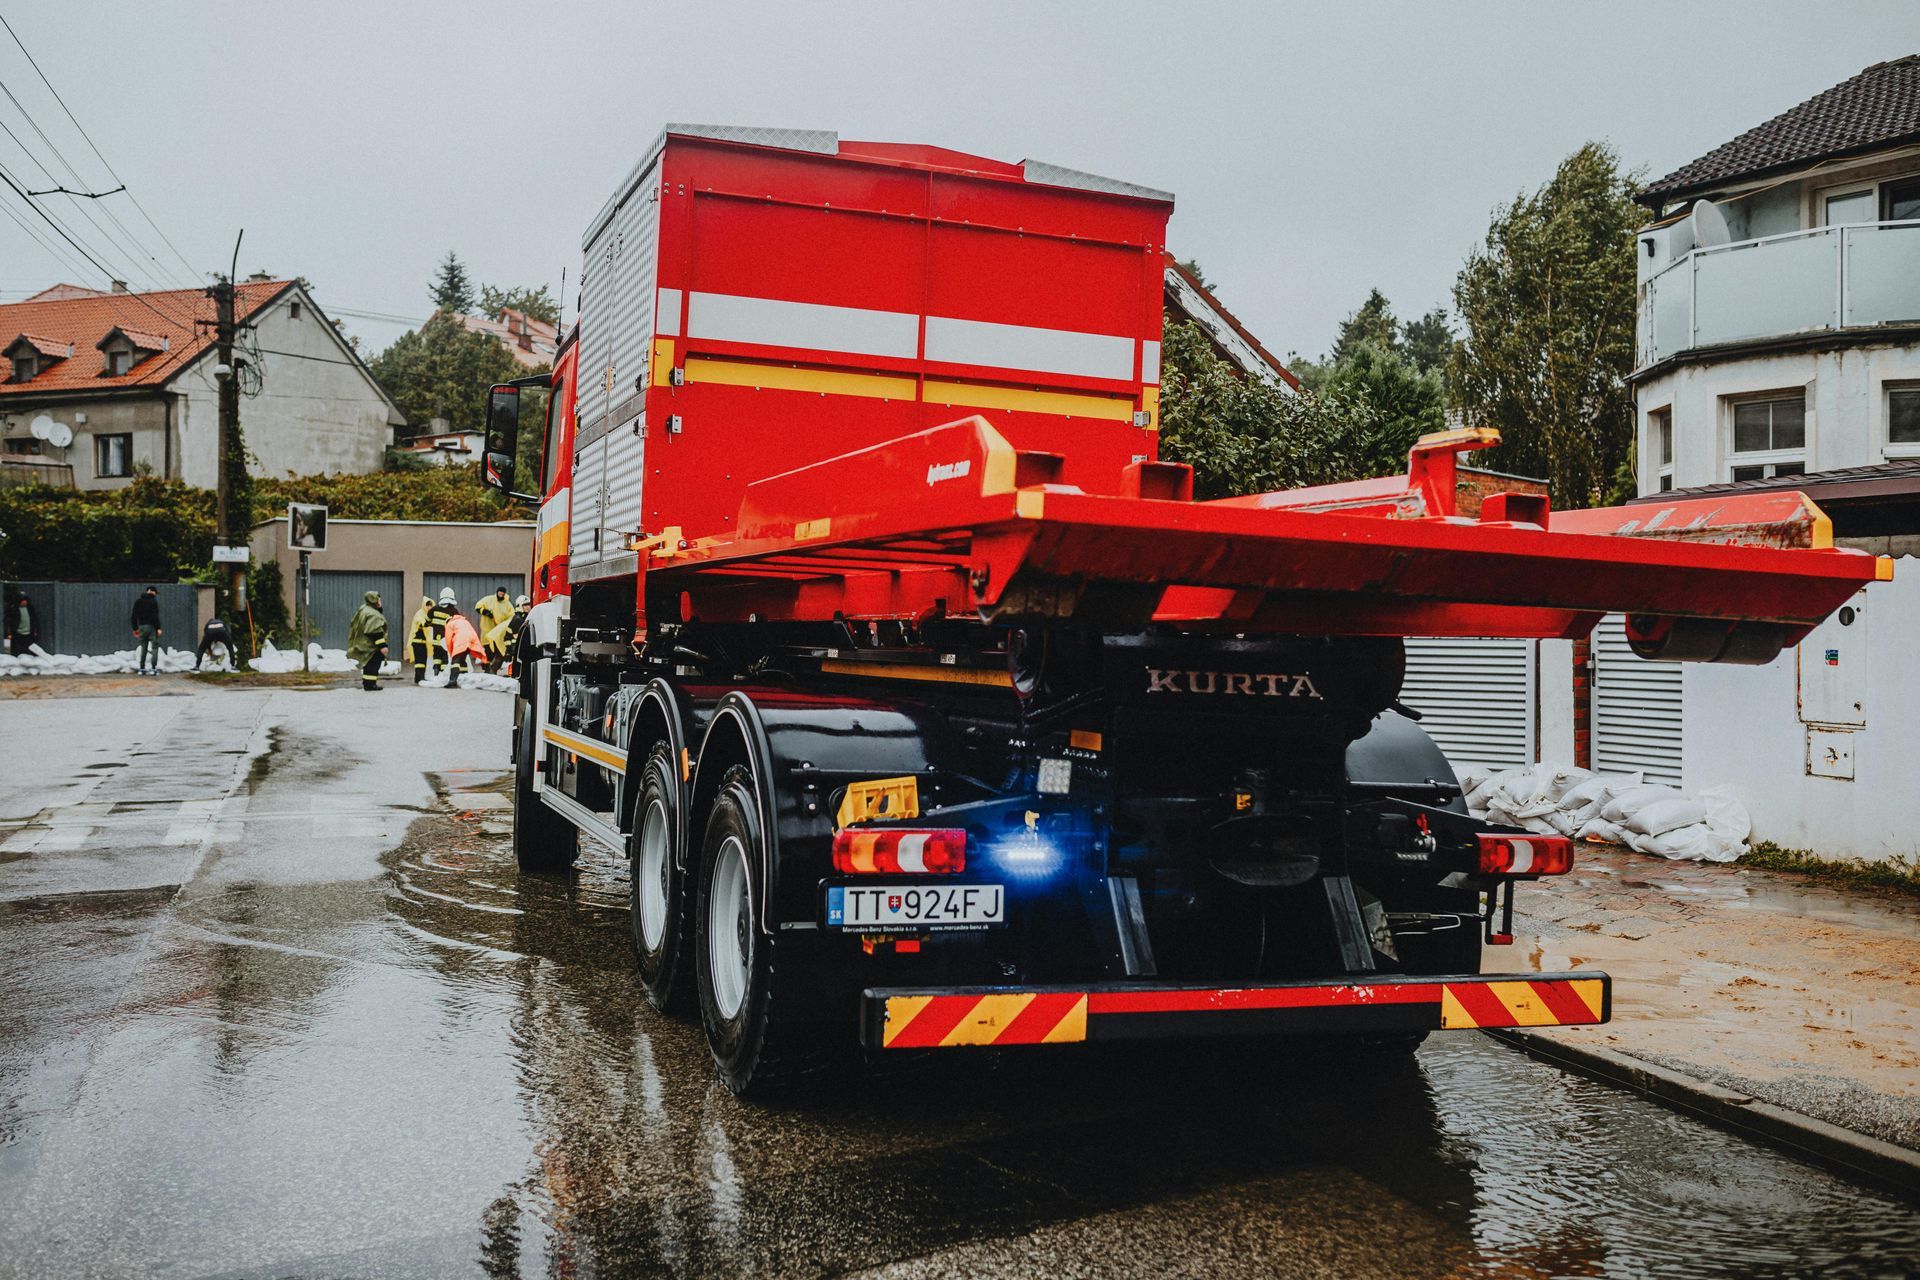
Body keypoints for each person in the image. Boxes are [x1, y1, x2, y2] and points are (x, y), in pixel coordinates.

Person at [346, 590, 389, 692]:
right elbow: (374, 631)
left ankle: (367, 683)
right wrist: (382, 646)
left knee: (368, 664)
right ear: (375, 600)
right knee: (373, 664)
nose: (380, 601)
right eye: (379, 599)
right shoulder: (374, 614)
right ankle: (371, 685)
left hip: (363, 642)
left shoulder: (364, 609)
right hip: (371, 645)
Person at [483, 593, 530, 674]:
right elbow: (512, 637)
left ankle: (491, 673)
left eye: (529, 604)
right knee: (499, 657)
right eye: (525, 605)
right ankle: (491, 674)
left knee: (500, 657)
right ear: (520, 606)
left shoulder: (521, 617)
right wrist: (509, 650)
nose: (528, 606)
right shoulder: (518, 619)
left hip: (502, 638)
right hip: (499, 638)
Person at [441, 605, 488, 679]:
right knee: (462, 659)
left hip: (461, 640)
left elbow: (448, 640)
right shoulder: (464, 621)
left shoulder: (450, 624)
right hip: (471, 639)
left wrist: (451, 653)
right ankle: (464, 676)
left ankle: (453, 680)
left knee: (455, 660)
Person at [129, 586, 163, 675]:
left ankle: (142, 668)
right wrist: (158, 628)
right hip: (151, 627)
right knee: (154, 647)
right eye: (155, 592)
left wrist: (135, 628)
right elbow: (155, 616)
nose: (155, 594)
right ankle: (153, 668)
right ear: (152, 592)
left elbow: (133, 616)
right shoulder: (153, 602)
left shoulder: (138, 601)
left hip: (141, 627)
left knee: (143, 648)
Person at [406, 595, 436, 683]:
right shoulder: (420, 613)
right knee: (420, 661)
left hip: (423, 643)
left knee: (423, 660)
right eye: (428, 605)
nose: (429, 607)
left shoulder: (427, 615)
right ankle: (419, 678)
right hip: (417, 642)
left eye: (431, 605)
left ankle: (419, 677)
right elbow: (423, 623)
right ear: (424, 605)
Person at [5, 589, 40, 657]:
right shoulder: (13, 609)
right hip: (17, 633)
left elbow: (35, 620)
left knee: (28, 650)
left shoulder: (30, 608)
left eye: (25, 600)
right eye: (22, 600)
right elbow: (9, 621)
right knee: (17, 651)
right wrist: (9, 633)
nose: (24, 602)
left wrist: (35, 630)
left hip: (29, 633)